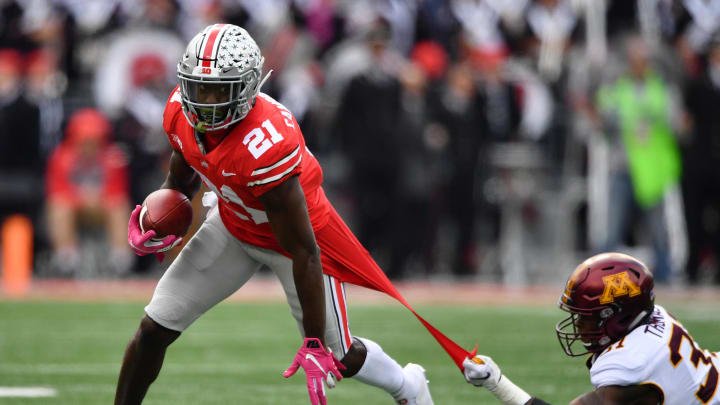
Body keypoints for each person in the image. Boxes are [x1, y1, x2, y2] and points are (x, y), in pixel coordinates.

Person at [114, 23, 434, 405]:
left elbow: (303, 250)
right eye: (198, 87)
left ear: (247, 88)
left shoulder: (266, 142)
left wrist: (313, 341)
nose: (204, 102)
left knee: (339, 356)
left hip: (294, 243)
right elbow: (180, 181)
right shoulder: (181, 112)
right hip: (233, 225)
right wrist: (160, 220)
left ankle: (406, 384)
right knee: (154, 327)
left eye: (218, 90)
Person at [461, 252, 720, 405]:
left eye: (586, 316)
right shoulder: (653, 316)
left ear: (615, 315)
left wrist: (497, 383)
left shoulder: (629, 364)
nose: (577, 324)